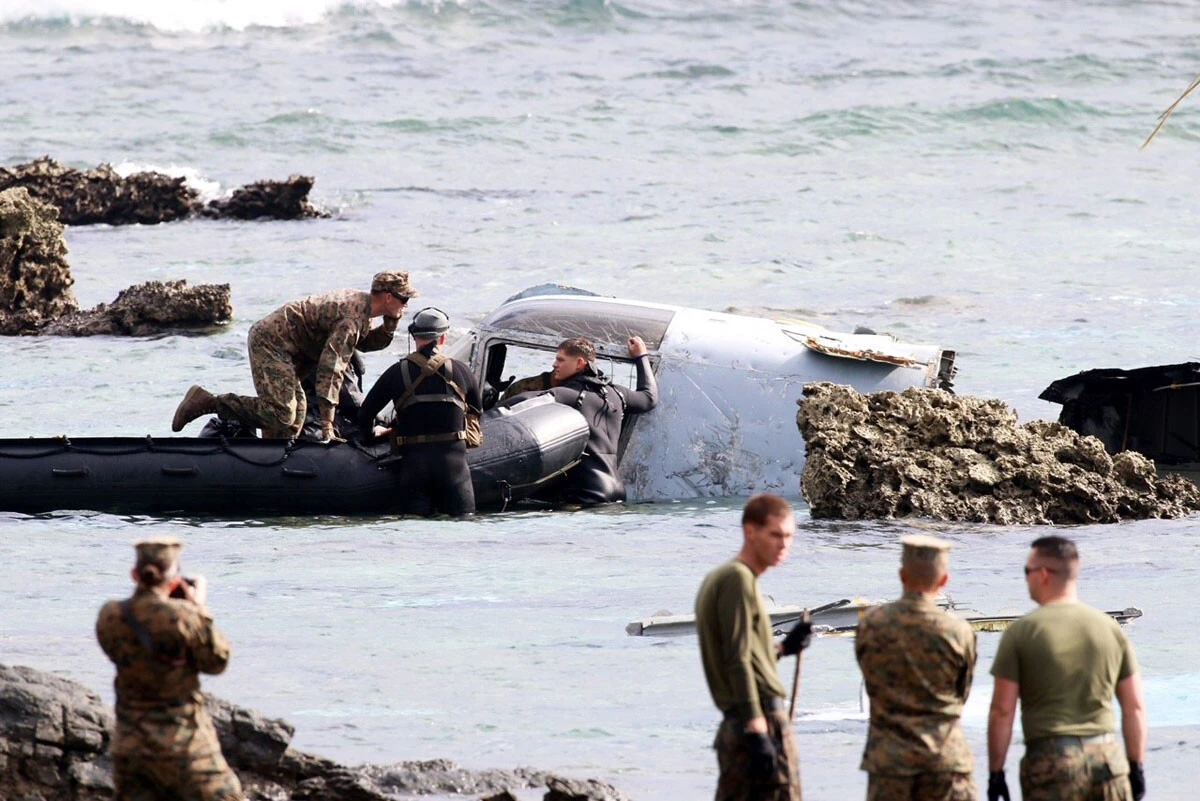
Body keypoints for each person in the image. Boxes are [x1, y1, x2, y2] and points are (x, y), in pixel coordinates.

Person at [986, 535, 1147, 801]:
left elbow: (1002, 711)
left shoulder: (1022, 632)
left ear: (1044, 574)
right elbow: (1135, 708)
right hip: (1107, 762)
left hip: (1052, 765)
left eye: (1027, 571)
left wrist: (995, 773)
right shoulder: (1110, 629)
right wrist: (1137, 767)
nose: (1025, 578)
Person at [171, 271, 417, 441]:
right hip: (272, 341)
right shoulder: (352, 318)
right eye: (404, 300)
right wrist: (327, 426)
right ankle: (209, 402)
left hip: (294, 351)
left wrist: (390, 326)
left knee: (293, 419)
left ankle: (269, 459)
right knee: (283, 413)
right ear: (388, 297)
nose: (406, 305)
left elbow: (365, 343)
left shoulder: (362, 310)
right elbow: (331, 372)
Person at [95, 536, 243, 801]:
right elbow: (217, 662)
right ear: (174, 578)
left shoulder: (111, 615)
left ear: (134, 574)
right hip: (183, 745)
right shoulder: (186, 617)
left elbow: (113, 649)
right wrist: (199, 609)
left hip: (131, 747)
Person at [694, 493, 813, 801]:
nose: (783, 545)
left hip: (743, 722)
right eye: (775, 535)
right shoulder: (737, 579)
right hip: (756, 719)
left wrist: (785, 648)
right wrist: (757, 727)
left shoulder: (727, 578)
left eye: (788, 536)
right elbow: (738, 657)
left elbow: (746, 653)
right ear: (750, 531)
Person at [855, 534, 976, 801]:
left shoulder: (871, 624)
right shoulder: (958, 631)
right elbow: (962, 693)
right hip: (944, 759)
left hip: (889, 761)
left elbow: (870, 679)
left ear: (902, 575)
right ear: (944, 580)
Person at [357, 307, 482, 517]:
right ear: (443, 338)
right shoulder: (462, 371)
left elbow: (364, 415)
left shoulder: (396, 373)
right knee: (463, 528)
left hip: (414, 470)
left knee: (415, 532)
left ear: (414, 337)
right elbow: (476, 413)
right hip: (454, 470)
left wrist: (372, 436)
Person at [501, 335, 656, 505]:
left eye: (560, 359)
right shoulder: (617, 394)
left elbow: (521, 401)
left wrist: (485, 412)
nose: (554, 364)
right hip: (616, 489)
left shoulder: (566, 395)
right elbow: (649, 397)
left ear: (580, 364)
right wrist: (641, 357)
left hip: (586, 492)